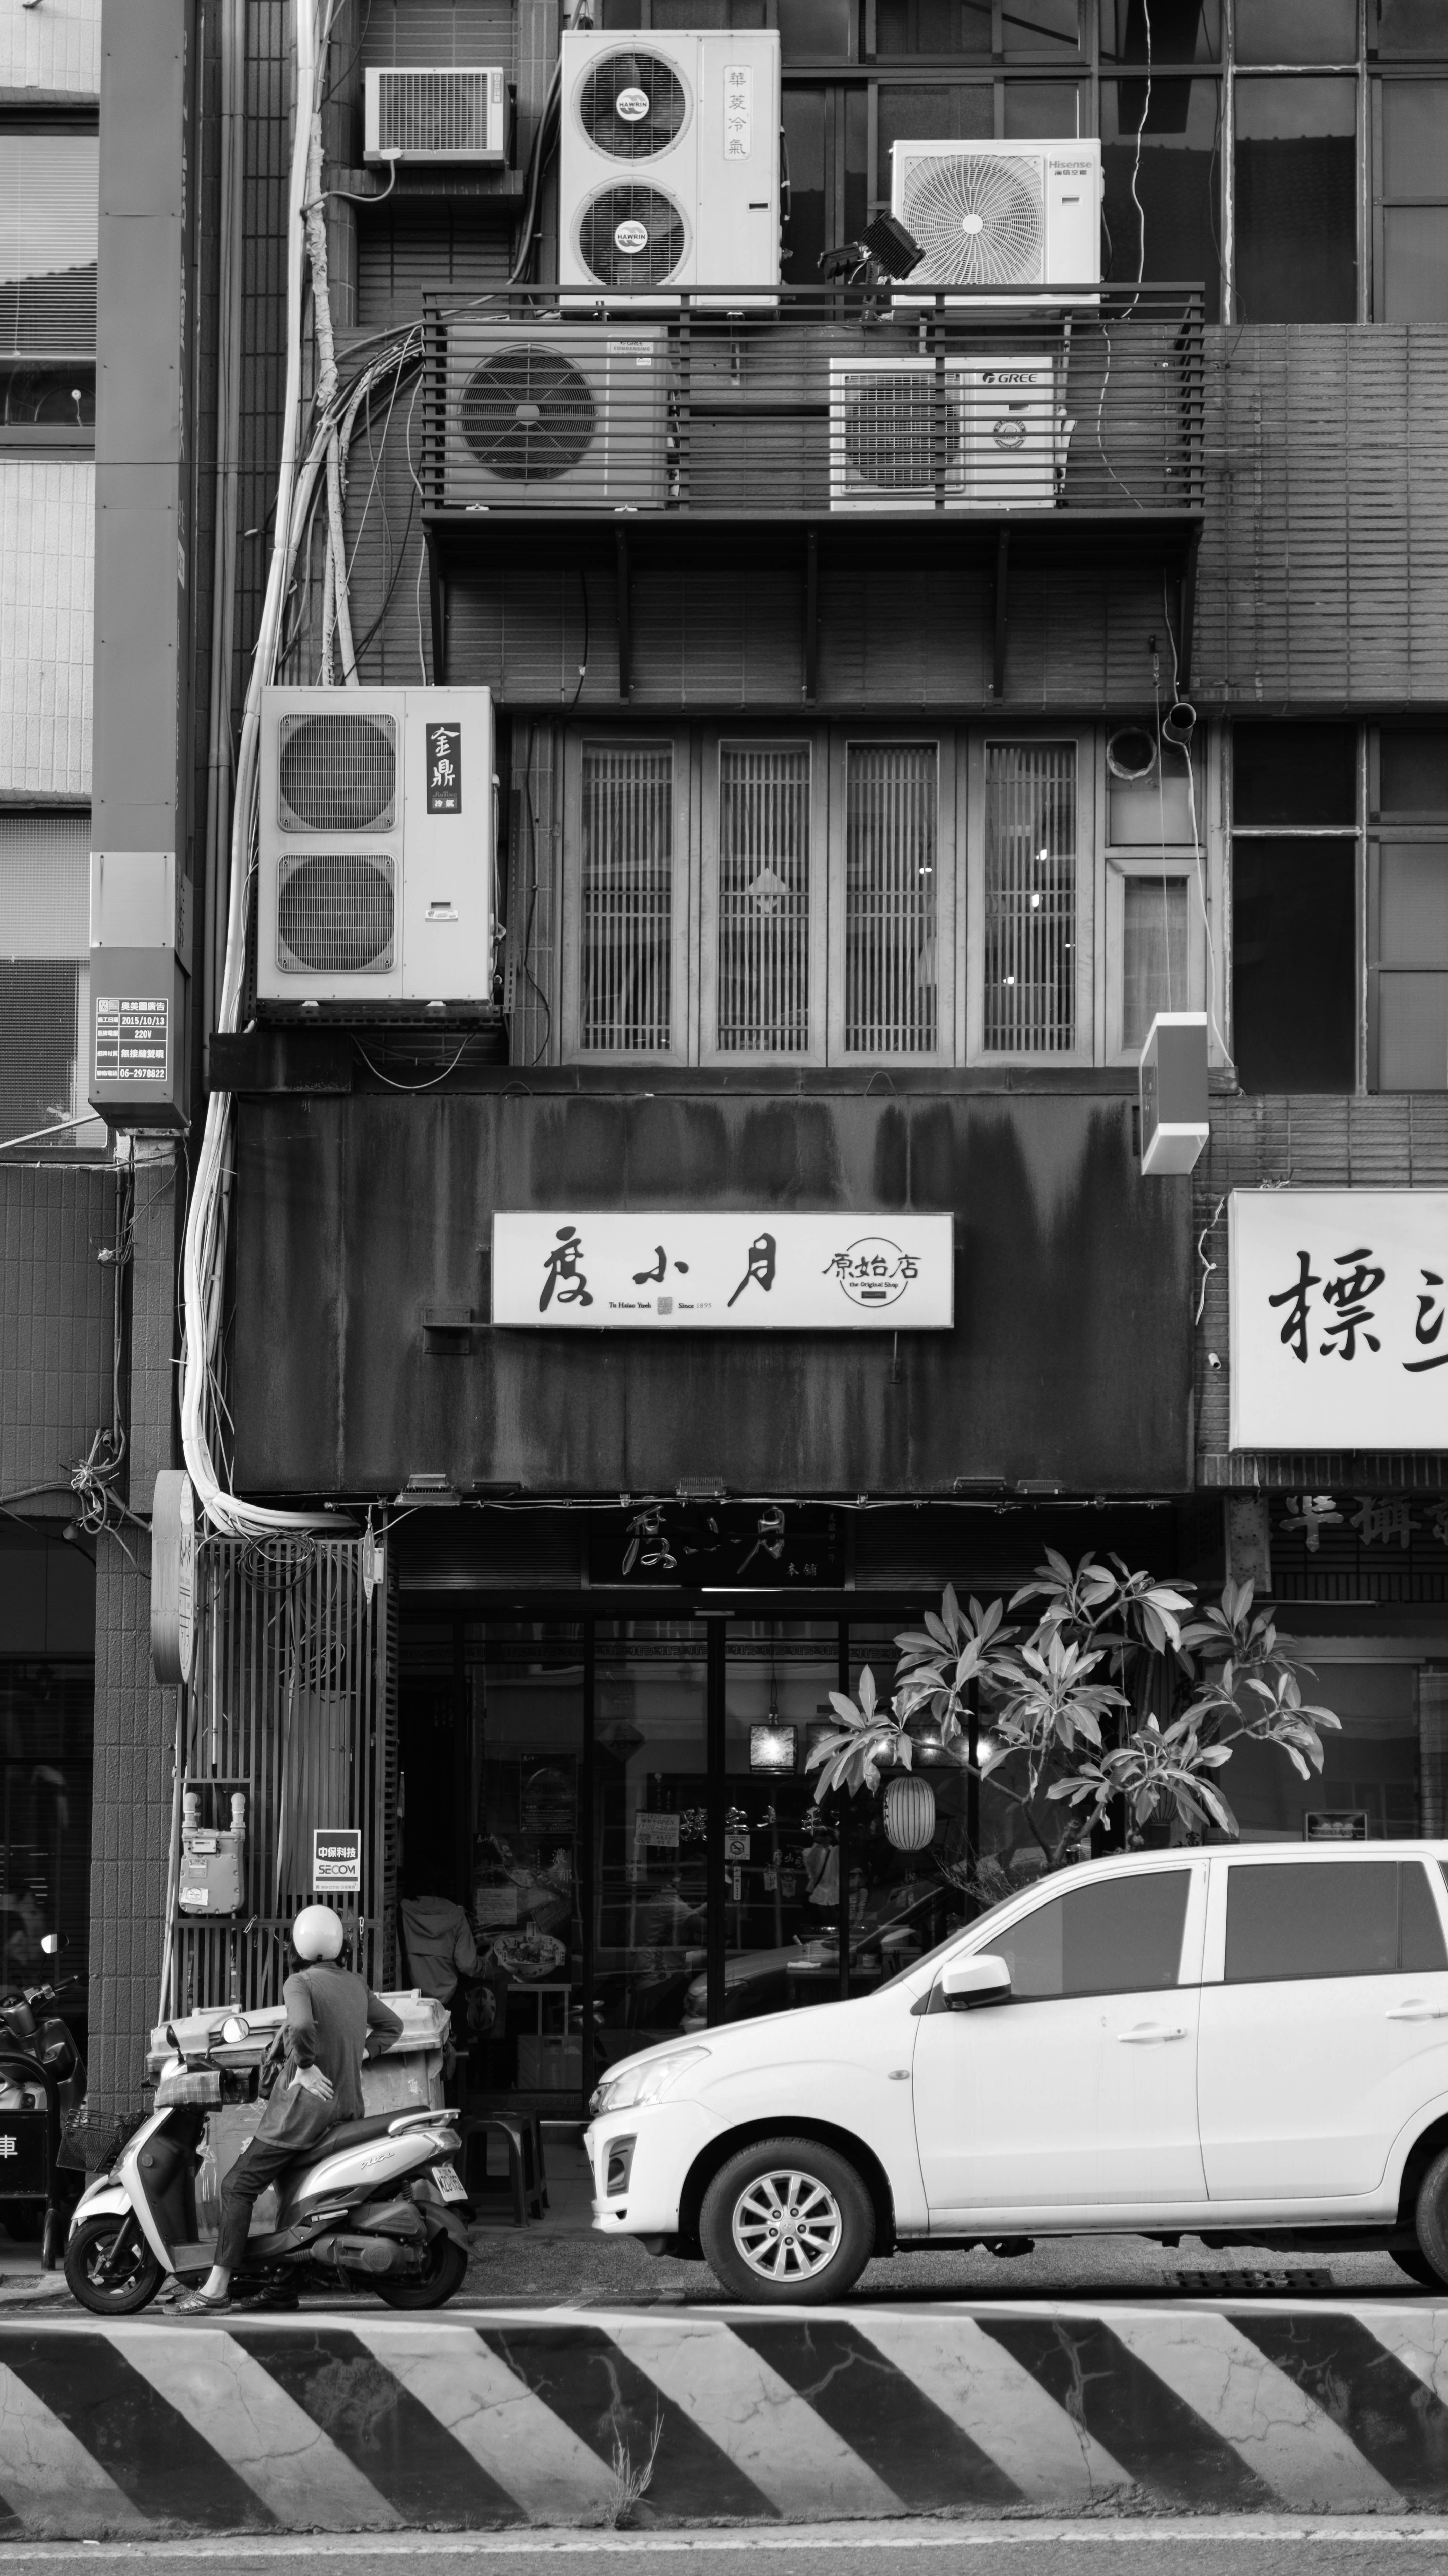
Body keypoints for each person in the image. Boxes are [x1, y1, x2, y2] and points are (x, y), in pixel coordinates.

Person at [174, 1902, 402, 2315]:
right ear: (339, 1944)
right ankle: (281, 2286)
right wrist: (362, 2054)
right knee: (294, 2194)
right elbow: (393, 2027)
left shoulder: (300, 1983)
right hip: (347, 2109)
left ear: (297, 1943)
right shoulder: (355, 1985)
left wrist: (308, 2066)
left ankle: (217, 2286)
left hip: (300, 2115)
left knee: (237, 2186)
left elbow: (299, 2027)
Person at [398, 1884, 480, 2009]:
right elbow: (467, 1965)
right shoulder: (457, 1916)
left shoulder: (402, 1912)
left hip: (410, 1999)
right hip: (449, 1999)